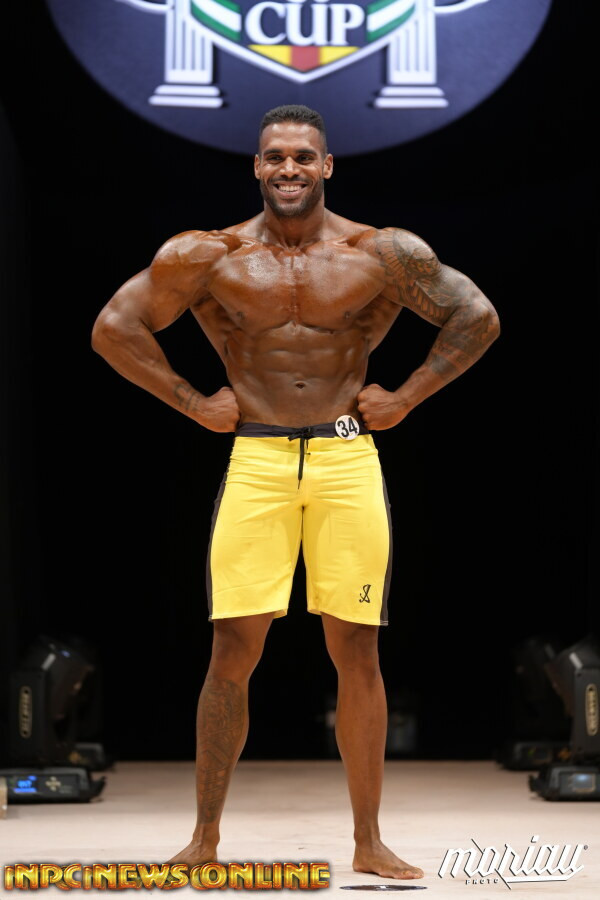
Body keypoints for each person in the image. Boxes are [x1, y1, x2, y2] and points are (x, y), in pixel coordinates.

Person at [91, 104, 500, 880]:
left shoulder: (380, 252)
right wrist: (191, 402)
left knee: (358, 649)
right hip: (259, 459)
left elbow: (475, 315)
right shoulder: (208, 255)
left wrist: (408, 396)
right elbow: (114, 327)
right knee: (231, 648)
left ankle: (369, 842)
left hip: (347, 459)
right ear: (256, 165)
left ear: (327, 165)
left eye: (303, 157)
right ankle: (204, 839)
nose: (289, 168)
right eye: (275, 156)